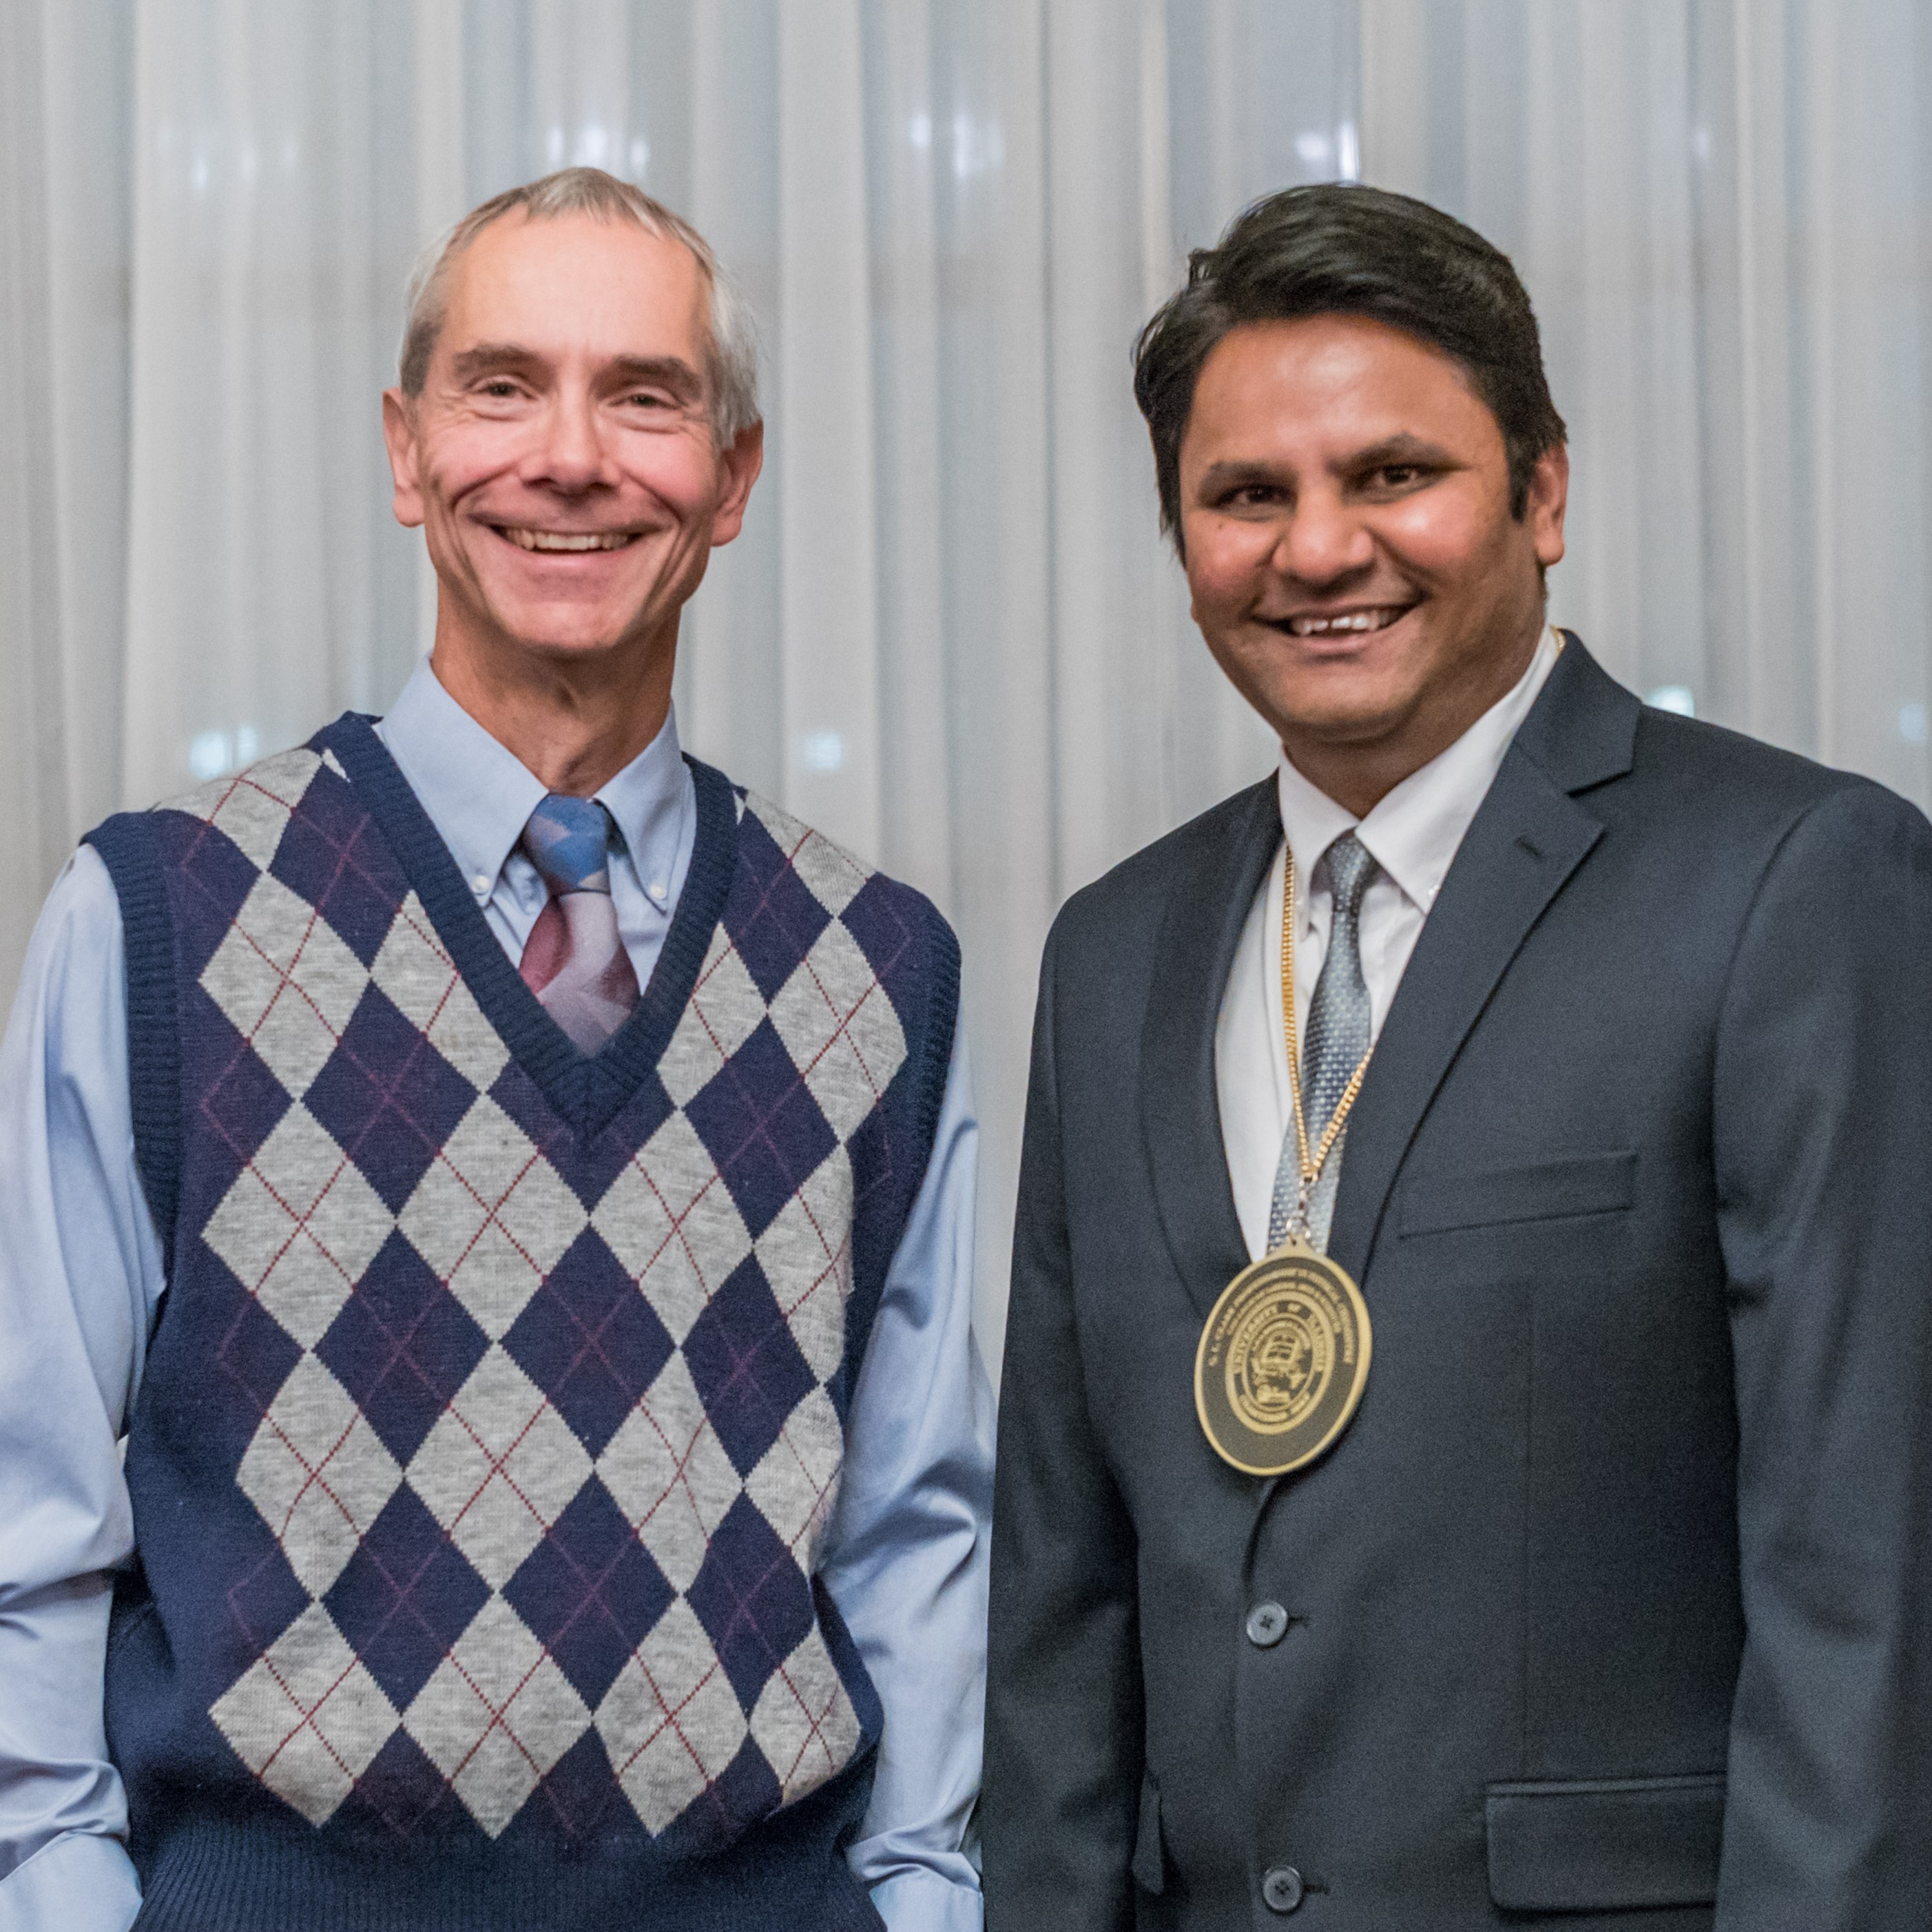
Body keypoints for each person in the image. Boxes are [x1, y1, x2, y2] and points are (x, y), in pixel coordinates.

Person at [0, 168, 989, 1932]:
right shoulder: (155, 918)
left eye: (646, 395)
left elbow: (914, 1529)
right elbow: (31, 1524)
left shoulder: (878, 968)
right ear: (405, 451)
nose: (572, 454)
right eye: (502, 384)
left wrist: (919, 1903)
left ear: (732, 477)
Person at [984, 183, 1932, 1931]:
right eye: (1243, 494)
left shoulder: (1792, 883)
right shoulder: (1111, 950)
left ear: (1541, 489)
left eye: (1390, 474)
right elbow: (1063, 1597)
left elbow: (1862, 1583)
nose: (1317, 549)